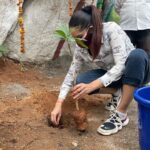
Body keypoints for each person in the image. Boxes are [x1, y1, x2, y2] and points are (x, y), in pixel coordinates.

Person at [51, 5, 150, 135]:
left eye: (80, 36)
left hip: (137, 71)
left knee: (137, 55)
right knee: (81, 81)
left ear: (91, 29)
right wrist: (58, 103)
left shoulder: (111, 30)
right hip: (114, 76)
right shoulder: (81, 45)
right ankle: (119, 92)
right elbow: (71, 73)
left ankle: (121, 115)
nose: (77, 41)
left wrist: (93, 85)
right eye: (75, 38)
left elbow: (121, 65)